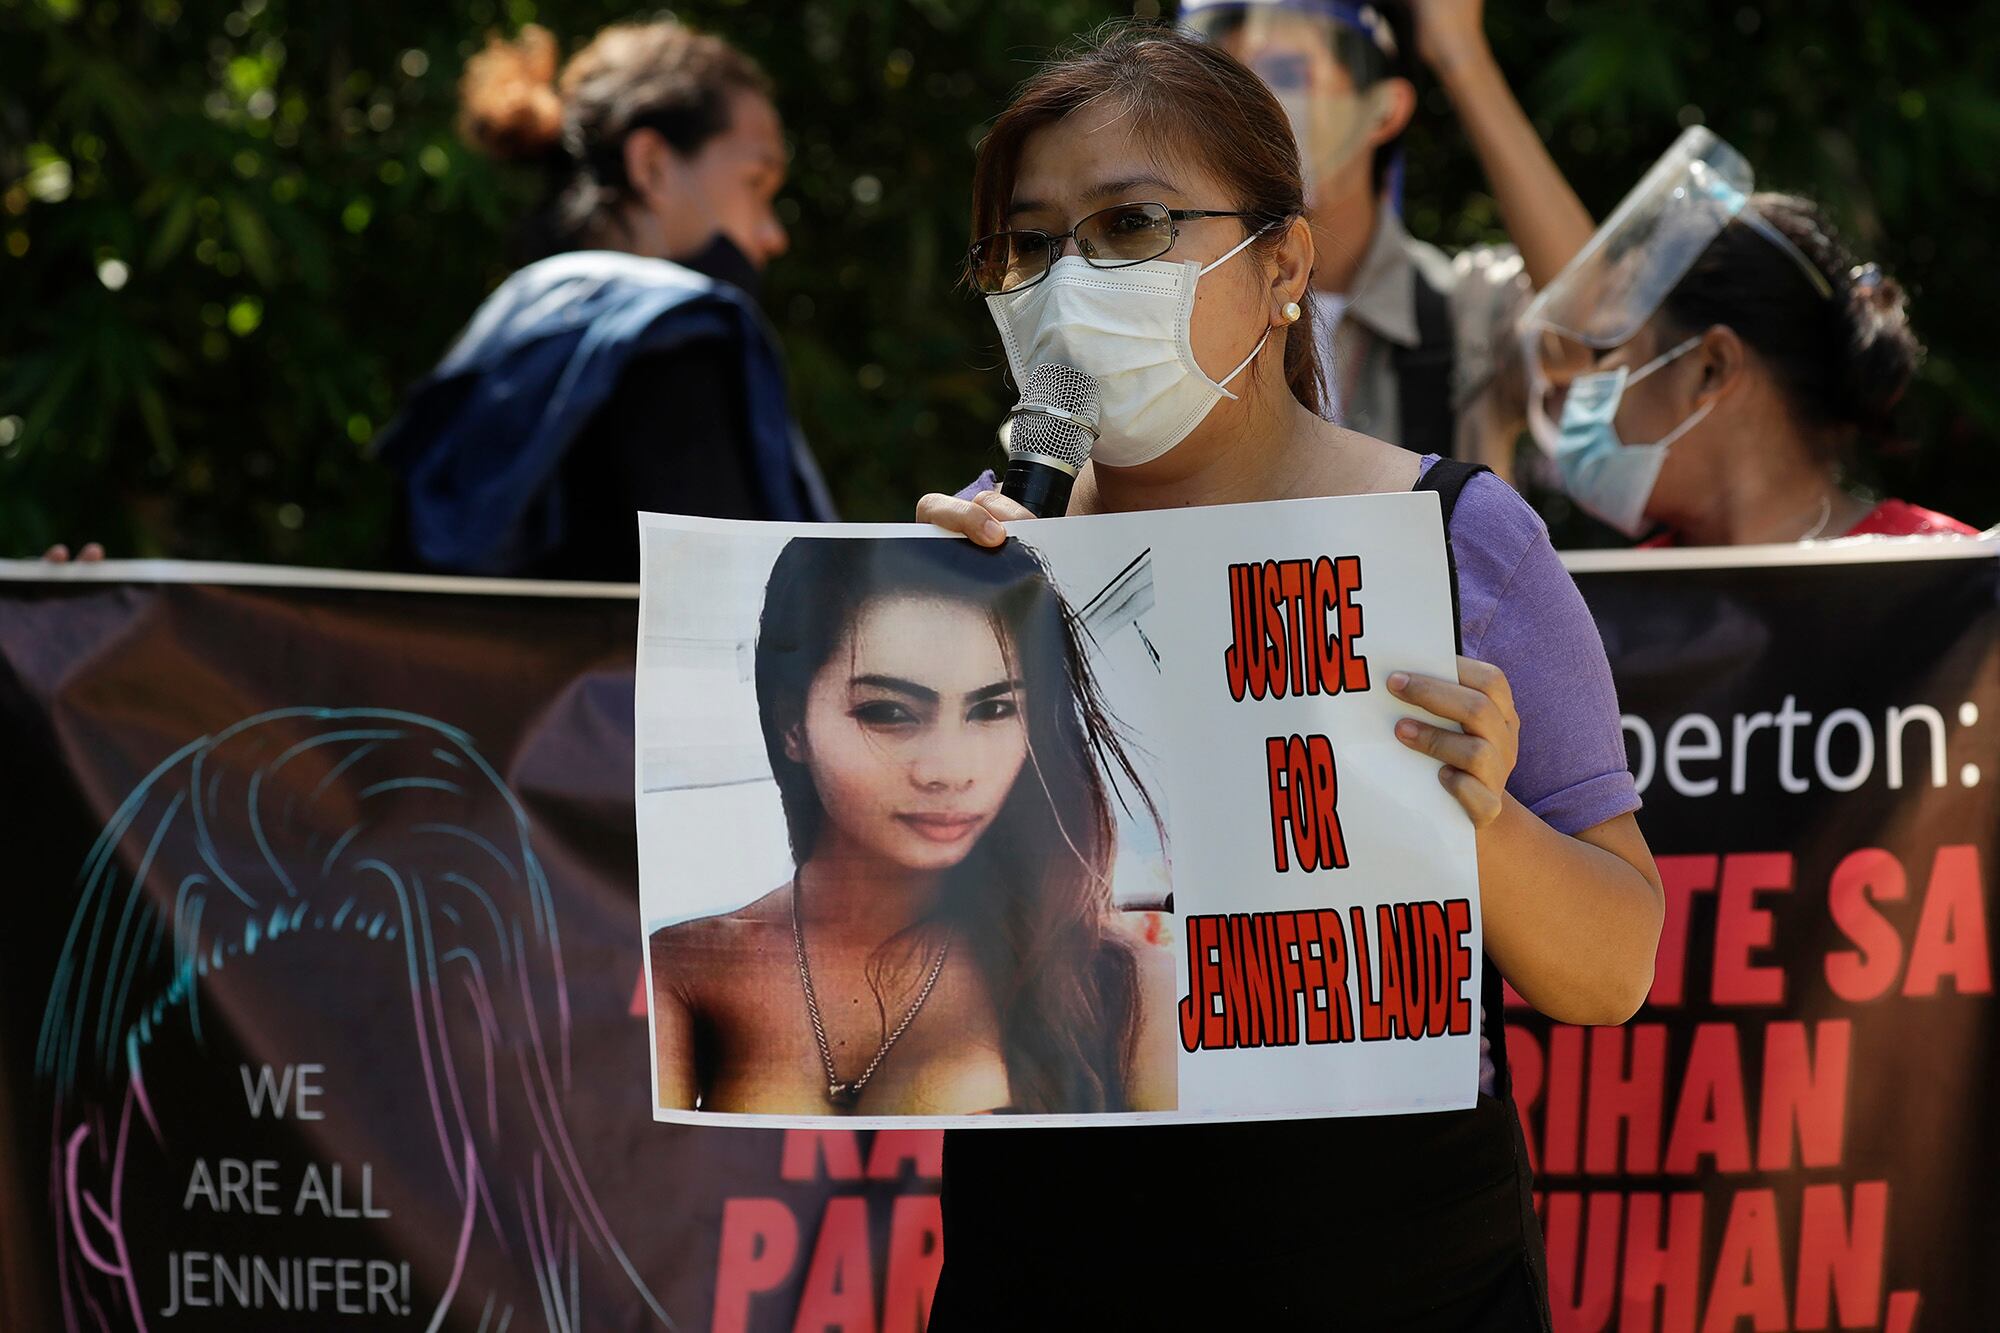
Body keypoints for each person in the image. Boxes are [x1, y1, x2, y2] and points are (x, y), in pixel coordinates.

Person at [919, 25, 1662, 1327]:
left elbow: (1609, 973)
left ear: (1283, 268)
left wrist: (1478, 818)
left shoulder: (1456, 543)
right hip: (1046, 1272)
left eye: (1133, 224)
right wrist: (934, 641)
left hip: (1406, 1282)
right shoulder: (980, 547)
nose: (1068, 281)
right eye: (1029, 243)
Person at [649, 536, 1175, 1116]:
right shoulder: (686, 964)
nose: (949, 771)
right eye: (889, 712)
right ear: (792, 725)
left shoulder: (1124, 983)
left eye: (993, 709)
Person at [375, 20, 833, 582]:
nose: (772, 235)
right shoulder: (680, 339)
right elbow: (734, 621)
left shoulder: (506, 324)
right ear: (652, 165)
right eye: (755, 183)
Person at [1178, 0, 1594, 480]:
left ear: (1384, 110)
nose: (1249, 112)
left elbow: (1592, 333)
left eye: (1287, 74)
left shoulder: (1461, 312)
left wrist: (1462, 56)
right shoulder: (1166, 300)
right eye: (1221, 89)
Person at [1520, 129, 1980, 545]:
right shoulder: (1617, 604)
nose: (1586, 386)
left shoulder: (1948, 580)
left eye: (1611, 351)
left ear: (1712, 367)